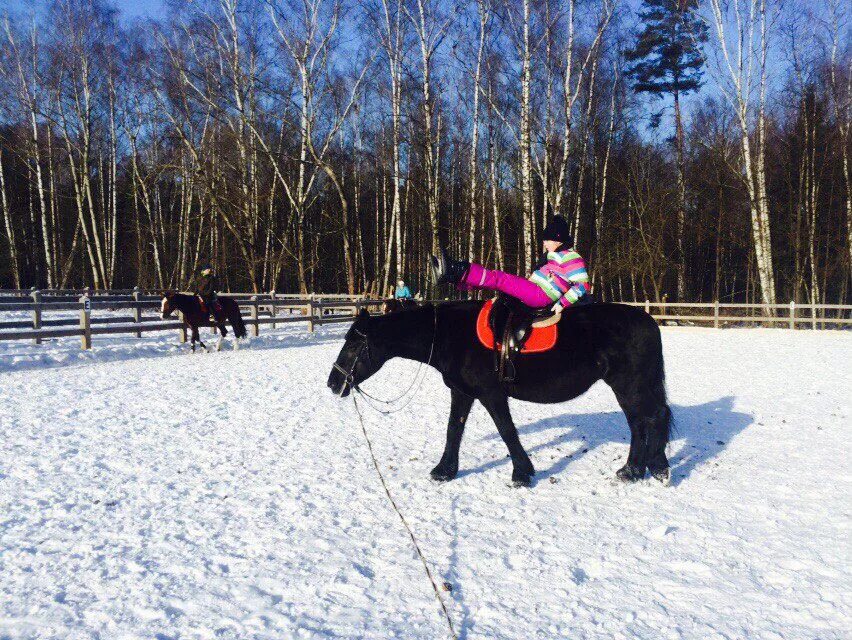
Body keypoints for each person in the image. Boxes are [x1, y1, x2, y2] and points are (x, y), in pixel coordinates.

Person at [431, 215, 589, 312]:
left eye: (547, 240)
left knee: (500, 278)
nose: (545, 244)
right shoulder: (553, 255)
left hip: (541, 295)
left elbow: (582, 285)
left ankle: (456, 269)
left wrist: (563, 303)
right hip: (536, 290)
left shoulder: (570, 256)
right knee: (496, 283)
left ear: (558, 239)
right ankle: (454, 278)